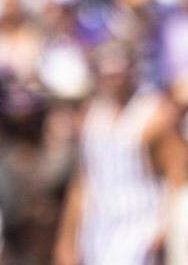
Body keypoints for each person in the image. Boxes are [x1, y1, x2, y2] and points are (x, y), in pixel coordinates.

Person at [54, 43, 188, 265]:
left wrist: (165, 228)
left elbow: (178, 175)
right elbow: (83, 182)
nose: (113, 79)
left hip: (142, 227)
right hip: (99, 229)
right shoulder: (91, 118)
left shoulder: (153, 114)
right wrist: (68, 237)